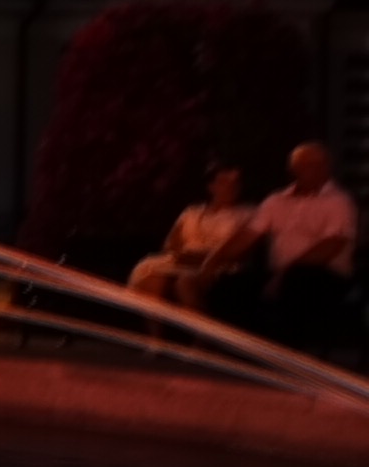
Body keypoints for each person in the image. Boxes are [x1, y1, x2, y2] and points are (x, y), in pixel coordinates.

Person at [246, 141, 358, 349]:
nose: (312, 170)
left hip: (325, 275)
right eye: (304, 165)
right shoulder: (276, 200)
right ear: (293, 169)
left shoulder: (339, 201)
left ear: (327, 167)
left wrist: (285, 274)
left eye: (317, 164)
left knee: (300, 283)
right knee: (234, 283)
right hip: (279, 271)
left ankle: (293, 353)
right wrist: (212, 261)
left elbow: (331, 245)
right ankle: (239, 352)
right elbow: (249, 233)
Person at [129, 164, 252, 308]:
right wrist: (181, 254)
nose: (231, 187)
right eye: (224, 182)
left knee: (184, 282)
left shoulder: (246, 213)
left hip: (219, 265)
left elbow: (241, 250)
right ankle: (151, 322)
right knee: (151, 275)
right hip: (183, 261)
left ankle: (197, 321)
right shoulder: (192, 212)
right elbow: (170, 244)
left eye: (235, 183)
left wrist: (205, 257)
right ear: (211, 186)